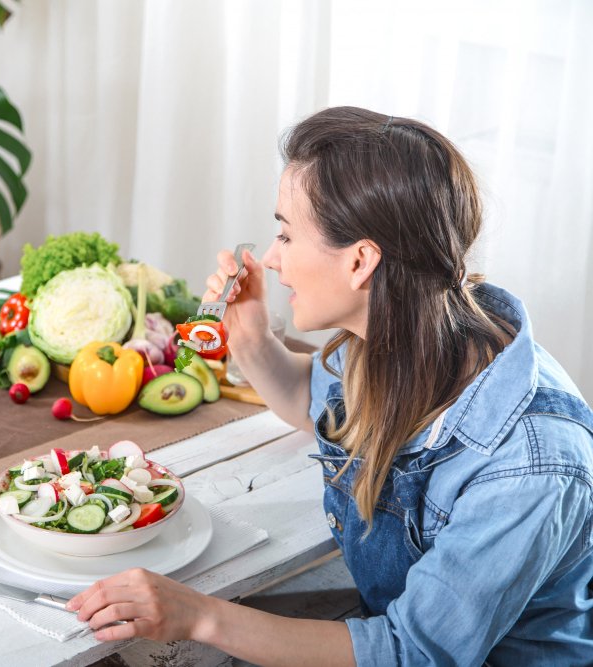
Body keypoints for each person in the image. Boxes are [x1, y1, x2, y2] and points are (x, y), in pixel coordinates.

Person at [66, 106, 593, 666]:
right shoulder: (408, 329)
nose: (272, 258)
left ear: (362, 261)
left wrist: (198, 613)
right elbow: (310, 403)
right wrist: (251, 341)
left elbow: (406, 654)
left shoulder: (531, 467)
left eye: (286, 235)